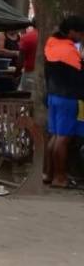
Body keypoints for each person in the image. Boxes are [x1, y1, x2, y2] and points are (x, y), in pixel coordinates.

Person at [43, 15, 84, 189]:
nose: (82, 36)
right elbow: (79, 76)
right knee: (63, 138)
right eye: (80, 33)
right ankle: (60, 177)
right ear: (72, 31)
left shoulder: (52, 43)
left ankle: (48, 173)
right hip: (68, 98)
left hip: (53, 96)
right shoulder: (69, 51)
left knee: (55, 136)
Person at [19, 22, 39, 92]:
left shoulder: (26, 37)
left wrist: (16, 73)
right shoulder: (50, 37)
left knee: (26, 96)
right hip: (46, 73)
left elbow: (21, 60)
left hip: (29, 73)